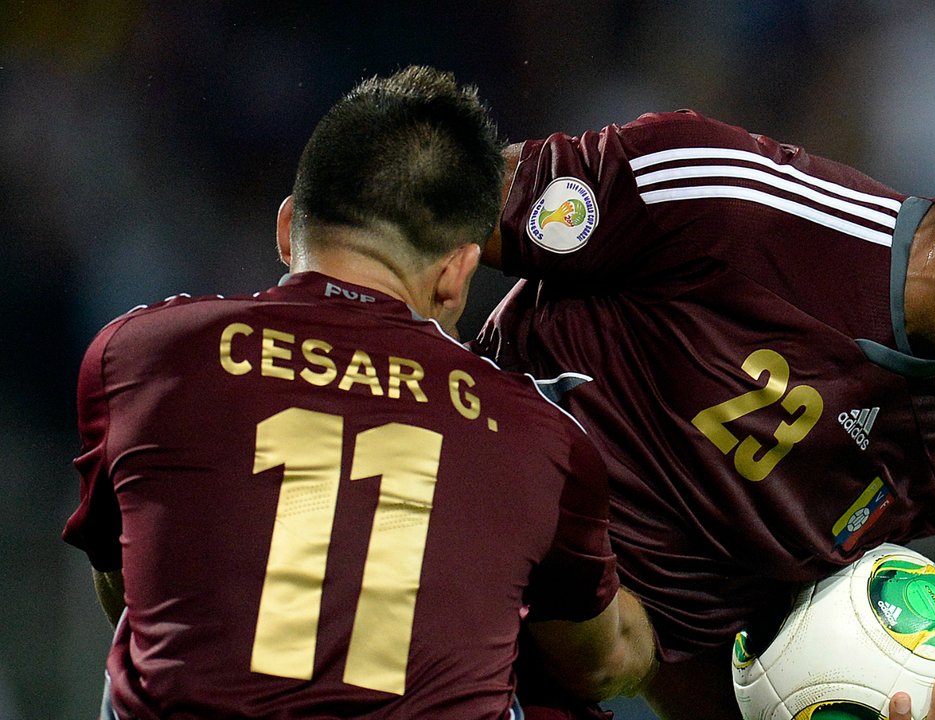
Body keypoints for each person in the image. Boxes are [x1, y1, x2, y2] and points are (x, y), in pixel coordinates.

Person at [473, 89, 935, 720]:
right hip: (403, 563)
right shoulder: (732, 198)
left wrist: (835, 701)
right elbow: (427, 218)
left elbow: (672, 656)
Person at [62, 66, 656, 720]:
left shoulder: (142, 356)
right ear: (457, 274)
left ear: (288, 229)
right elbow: (602, 661)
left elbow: (128, 588)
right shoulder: (538, 439)